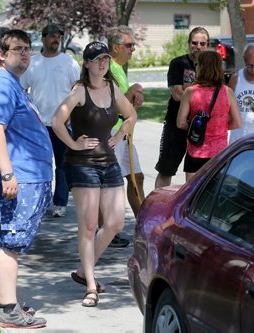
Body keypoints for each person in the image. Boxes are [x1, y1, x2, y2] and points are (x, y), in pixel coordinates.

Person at [0, 29, 52, 328]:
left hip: (24, 175)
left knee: (5, 237)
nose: (25, 53)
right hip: (14, 176)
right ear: (1, 54)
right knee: (10, 241)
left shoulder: (9, 82)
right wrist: (8, 174)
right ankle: (8, 310)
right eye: (17, 49)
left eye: (27, 49)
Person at [51, 42, 136, 307]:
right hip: (82, 164)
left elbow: (131, 115)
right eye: (97, 59)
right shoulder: (79, 91)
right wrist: (74, 143)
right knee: (88, 226)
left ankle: (81, 270)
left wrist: (120, 134)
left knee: (115, 223)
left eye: (106, 59)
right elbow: (56, 121)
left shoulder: (112, 88)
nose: (103, 63)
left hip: (109, 162)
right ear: (86, 63)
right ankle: (90, 285)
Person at [20, 23, 80, 218]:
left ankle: (60, 203)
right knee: (39, 164)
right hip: (38, 125)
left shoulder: (69, 62)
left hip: (62, 124)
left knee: (63, 165)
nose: (56, 39)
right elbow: (22, 89)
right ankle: (40, 201)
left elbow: (77, 89)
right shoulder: (33, 62)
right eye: (52, 36)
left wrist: (71, 112)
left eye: (58, 36)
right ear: (44, 38)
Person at [105, 25, 145, 248]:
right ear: (115, 47)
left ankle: (144, 225)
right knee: (111, 182)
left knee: (136, 177)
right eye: (129, 45)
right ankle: (108, 230)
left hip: (124, 131)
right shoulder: (108, 67)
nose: (133, 49)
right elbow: (109, 104)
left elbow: (124, 103)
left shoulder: (119, 68)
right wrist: (131, 93)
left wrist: (134, 98)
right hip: (113, 131)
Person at [154, 27, 210, 189]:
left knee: (198, 174)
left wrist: (189, 88)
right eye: (194, 42)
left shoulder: (212, 67)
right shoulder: (178, 63)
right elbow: (177, 95)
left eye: (202, 43)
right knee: (166, 169)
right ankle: (157, 209)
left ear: (207, 45)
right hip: (176, 125)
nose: (198, 46)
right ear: (188, 44)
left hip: (202, 128)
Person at [176, 50, 241, 180]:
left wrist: (198, 127)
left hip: (195, 152)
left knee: (192, 194)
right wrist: (218, 126)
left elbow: (180, 123)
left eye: (197, 64)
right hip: (219, 154)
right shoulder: (227, 92)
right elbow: (237, 122)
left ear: (201, 67)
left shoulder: (190, 92)